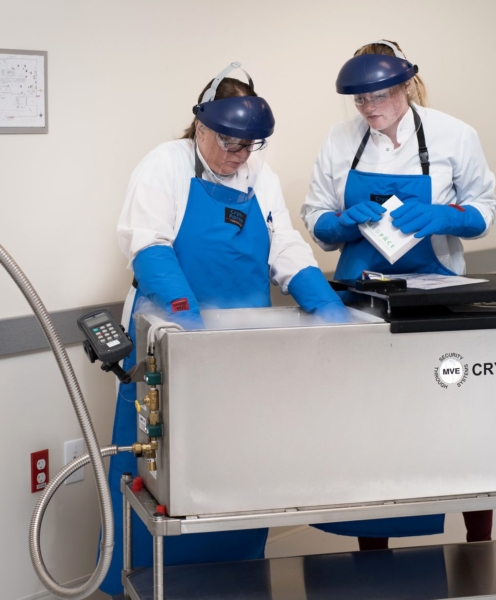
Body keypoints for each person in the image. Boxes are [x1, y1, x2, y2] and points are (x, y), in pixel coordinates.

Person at [101, 62, 347, 596]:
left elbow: (284, 246)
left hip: (241, 348)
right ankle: (146, 581)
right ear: (201, 128)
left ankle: (238, 579)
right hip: (173, 338)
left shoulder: (260, 176)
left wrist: (323, 301)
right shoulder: (164, 164)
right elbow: (147, 244)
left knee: (239, 469)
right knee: (160, 471)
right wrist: (187, 314)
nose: (239, 157)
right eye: (230, 144)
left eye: (249, 146)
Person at [301, 40, 496, 550]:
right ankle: (373, 555)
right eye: (360, 100)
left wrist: (446, 215)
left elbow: (484, 209)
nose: (370, 109)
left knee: (458, 426)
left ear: (405, 84)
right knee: (372, 429)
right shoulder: (340, 141)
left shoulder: (454, 135)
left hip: (438, 301)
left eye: (380, 96)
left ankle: (479, 546)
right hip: (360, 301)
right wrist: (340, 223)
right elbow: (314, 216)